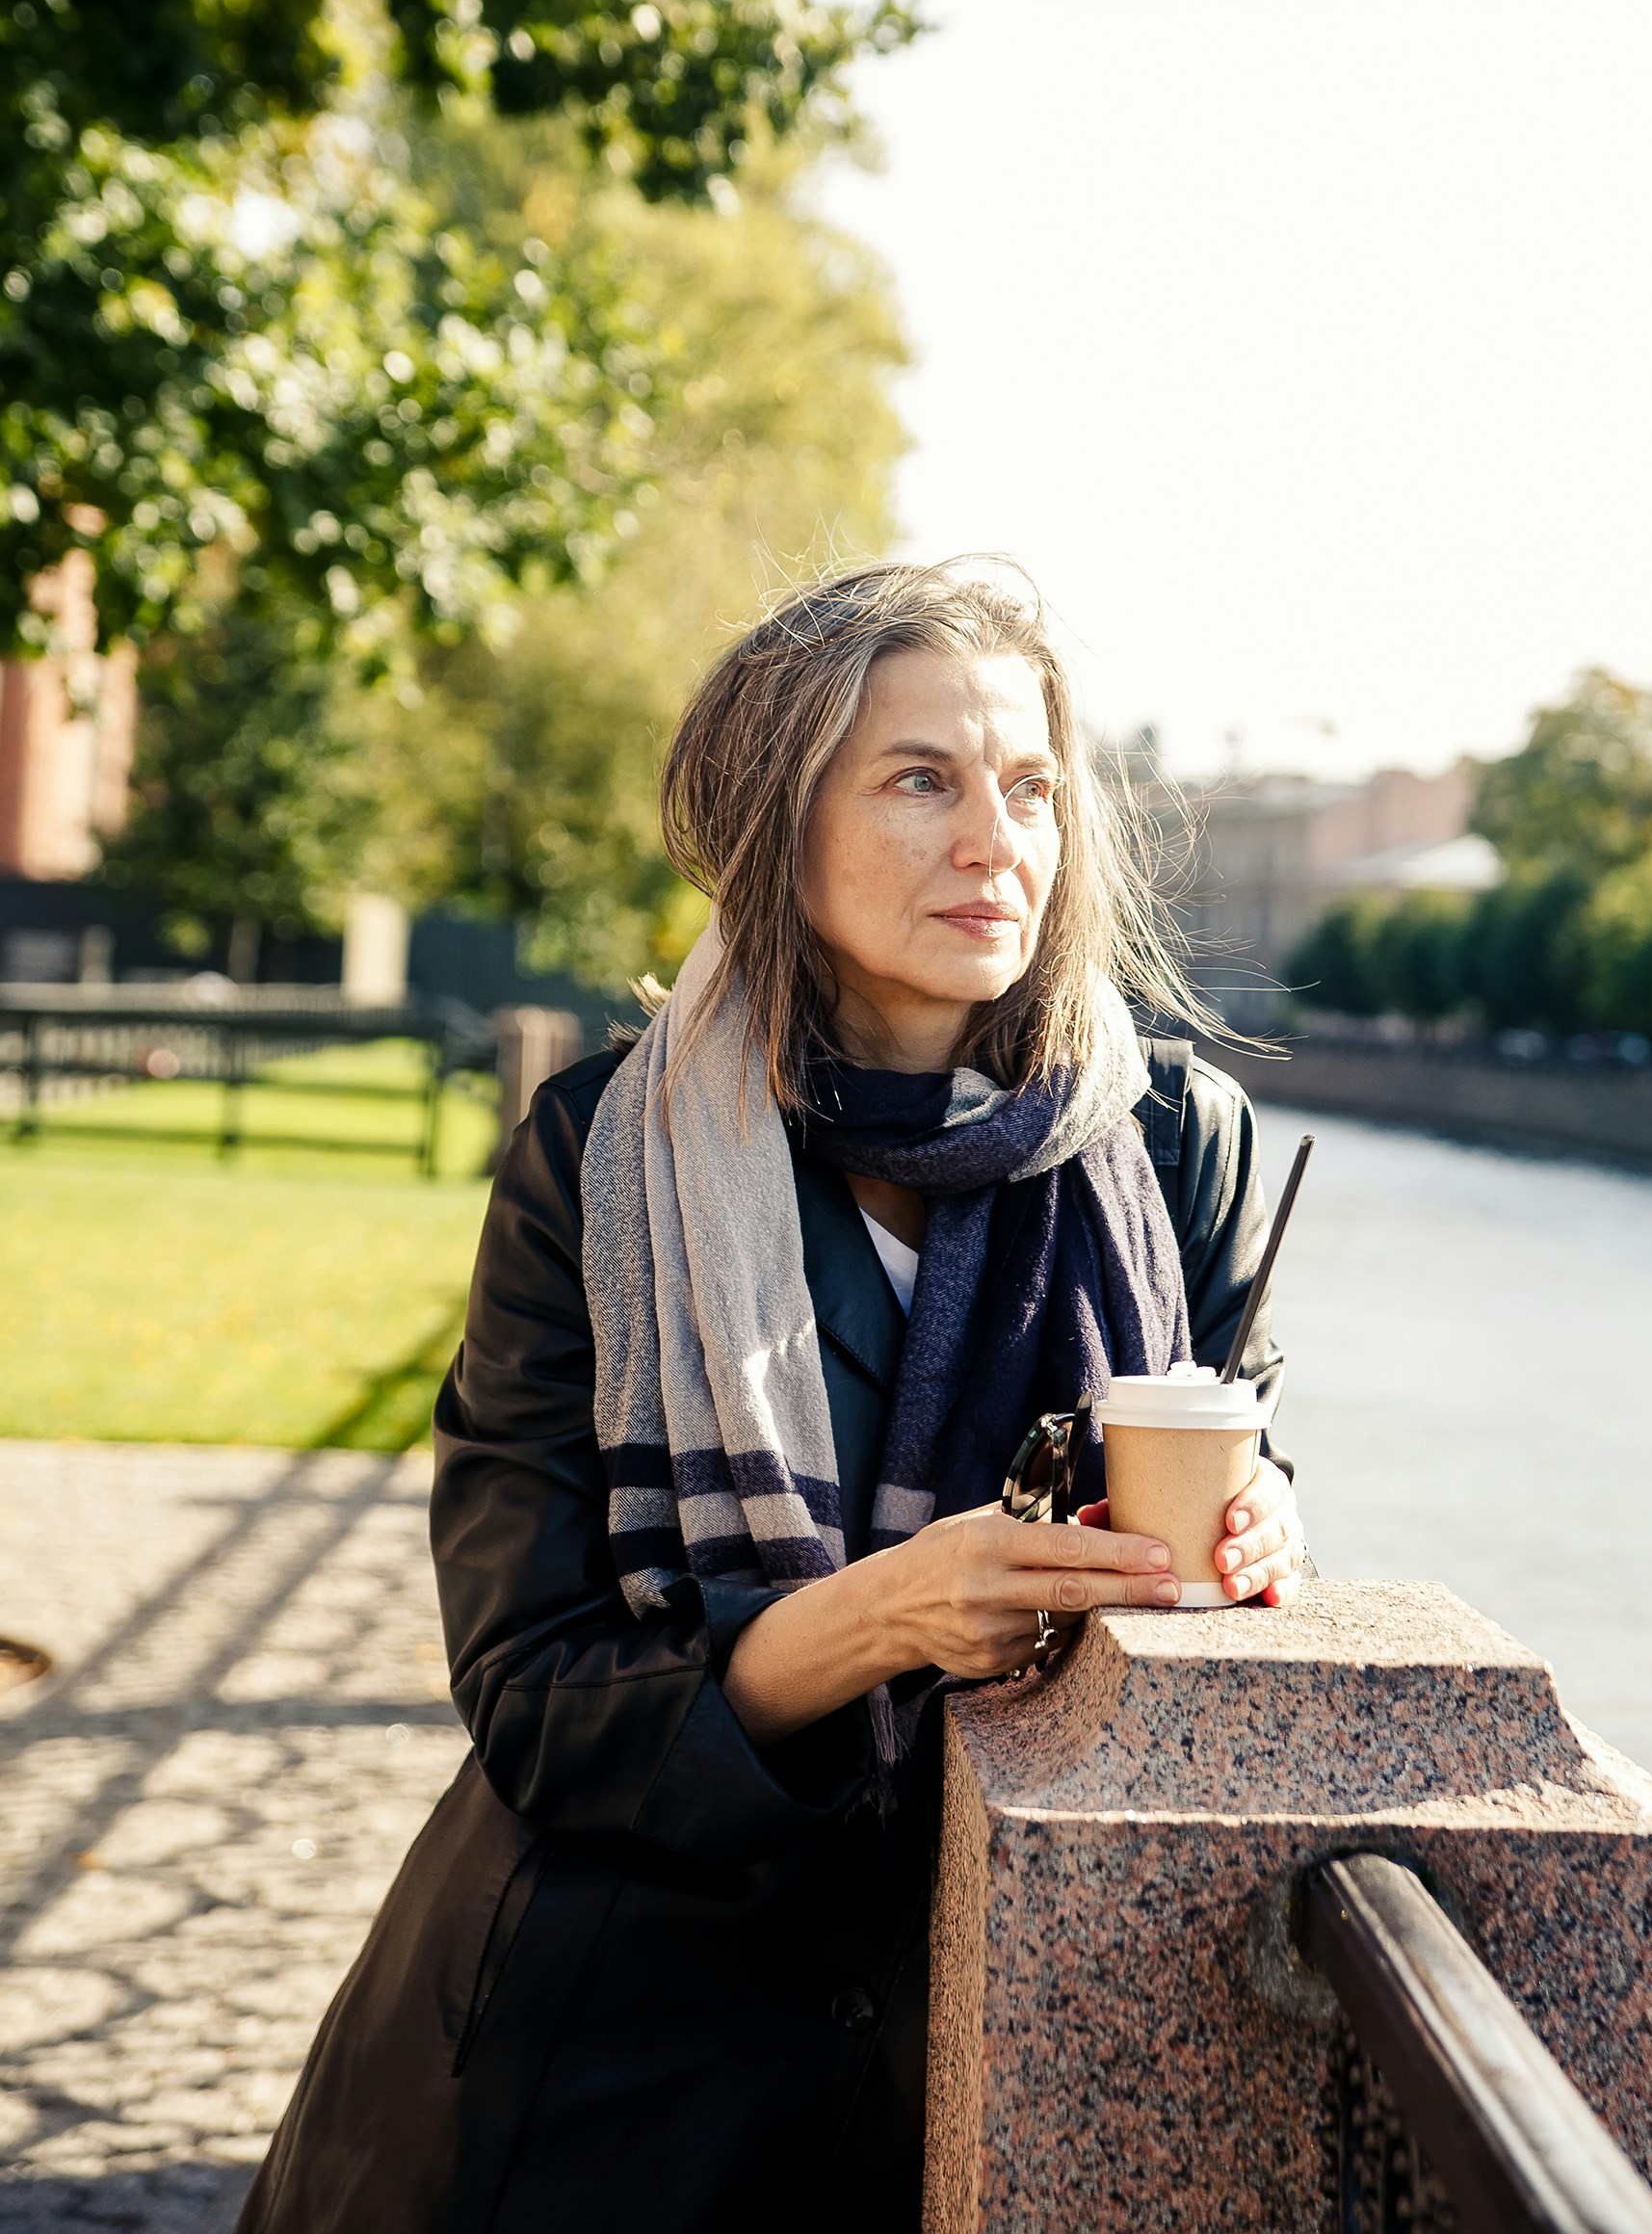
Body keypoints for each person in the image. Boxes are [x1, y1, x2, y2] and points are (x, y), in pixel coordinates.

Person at [239, 561, 1303, 2234]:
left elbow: (1228, 1495)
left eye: (1031, 787)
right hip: (610, 2076)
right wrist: (883, 1616)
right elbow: (533, 1690)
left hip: (993, 2068)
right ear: (774, 822)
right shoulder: (604, 1159)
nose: (998, 842)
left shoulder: (1179, 1153)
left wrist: (1267, 1526)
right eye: (921, 780)